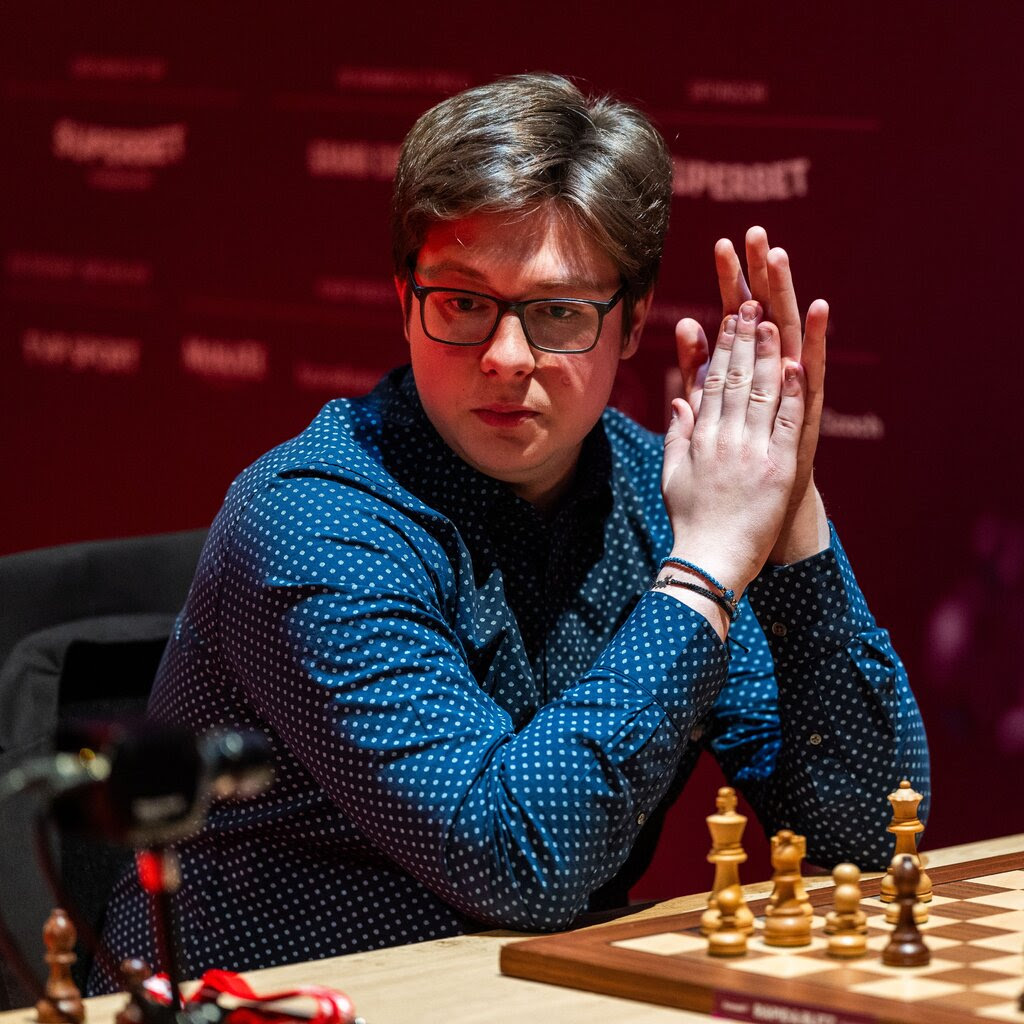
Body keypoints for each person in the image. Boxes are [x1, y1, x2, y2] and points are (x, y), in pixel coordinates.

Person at [93, 72, 929, 989]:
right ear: (403, 300)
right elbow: (510, 862)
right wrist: (706, 571)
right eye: (462, 302)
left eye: (559, 312)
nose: (505, 358)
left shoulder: (661, 501)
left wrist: (787, 501)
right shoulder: (310, 517)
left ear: (634, 320)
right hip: (280, 1005)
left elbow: (868, 830)